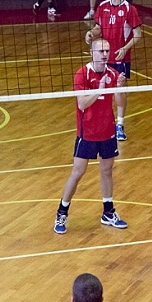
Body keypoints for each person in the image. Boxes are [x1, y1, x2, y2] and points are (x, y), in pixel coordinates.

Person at [54, 38, 128, 234]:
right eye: (100, 51)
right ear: (91, 53)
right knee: (78, 172)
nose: (104, 55)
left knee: (107, 171)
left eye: (107, 51)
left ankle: (108, 212)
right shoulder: (82, 74)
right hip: (87, 132)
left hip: (107, 131)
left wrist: (120, 88)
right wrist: (99, 90)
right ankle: (62, 212)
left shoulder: (113, 74)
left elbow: (121, 103)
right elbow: (82, 104)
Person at [85, 0, 143, 141]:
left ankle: (120, 125)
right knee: (99, 91)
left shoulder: (129, 9)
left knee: (119, 90)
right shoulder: (102, 6)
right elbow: (98, 28)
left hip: (120, 59)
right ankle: (101, 123)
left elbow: (138, 35)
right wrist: (91, 34)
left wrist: (125, 49)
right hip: (102, 57)